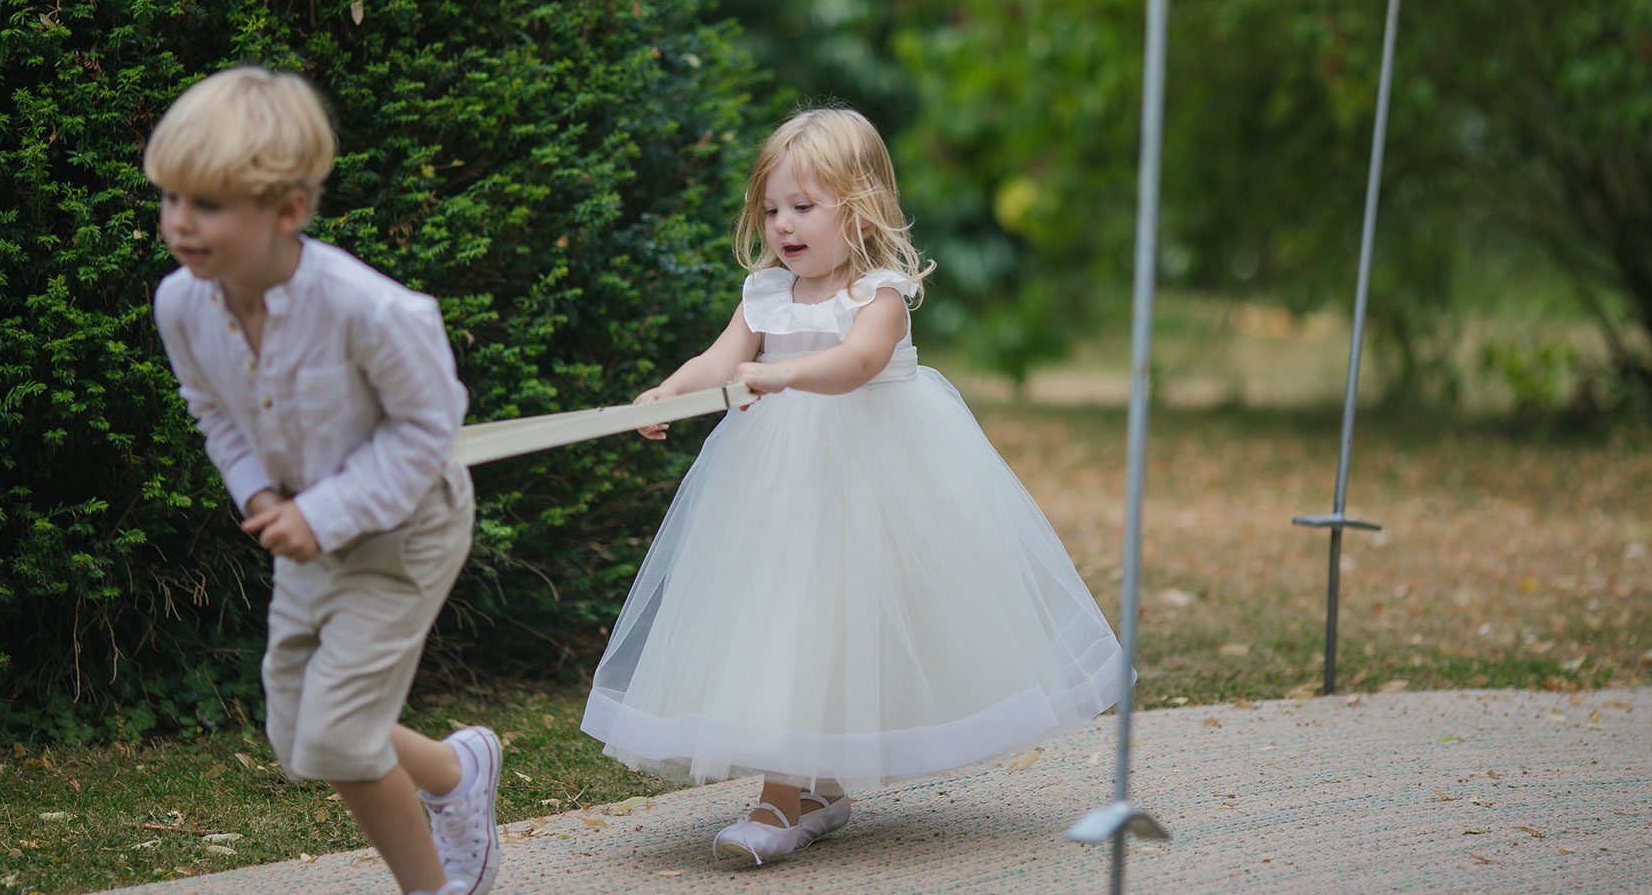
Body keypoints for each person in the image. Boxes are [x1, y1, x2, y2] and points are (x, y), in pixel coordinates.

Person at [582, 106, 1129, 865]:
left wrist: (783, 373)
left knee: (831, 623)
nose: (783, 225)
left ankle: (782, 800)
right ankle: (813, 788)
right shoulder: (766, 293)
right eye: (771, 209)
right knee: (782, 615)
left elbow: (858, 365)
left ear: (860, 205)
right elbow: (718, 359)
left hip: (870, 483)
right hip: (775, 487)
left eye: (804, 207)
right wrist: (668, 394)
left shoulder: (879, 293)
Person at [146, 67, 502, 895]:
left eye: (208, 205)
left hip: (407, 528)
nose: (180, 225)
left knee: (338, 739)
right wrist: (261, 496)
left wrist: (325, 510)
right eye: (170, 200)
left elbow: (429, 426)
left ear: (288, 212)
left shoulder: (368, 310)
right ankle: (454, 772)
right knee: (299, 733)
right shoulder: (183, 305)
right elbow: (215, 413)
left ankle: (437, 888)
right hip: (304, 530)